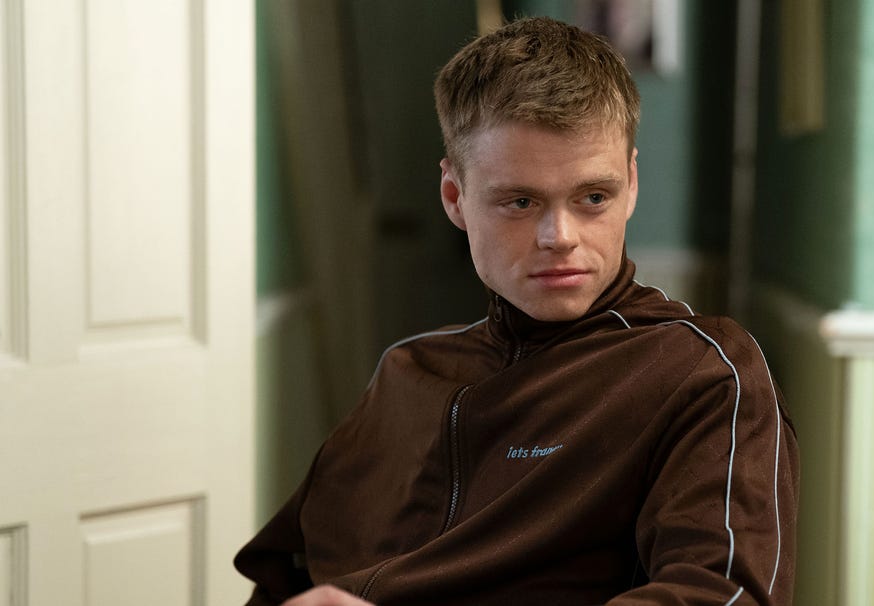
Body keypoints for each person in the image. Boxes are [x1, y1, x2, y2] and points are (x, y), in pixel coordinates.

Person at [235, 16, 798, 606]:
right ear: (454, 196)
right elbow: (289, 580)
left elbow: (719, 597)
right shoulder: (406, 374)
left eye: (593, 197)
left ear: (631, 184)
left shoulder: (701, 376)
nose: (560, 237)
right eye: (520, 201)